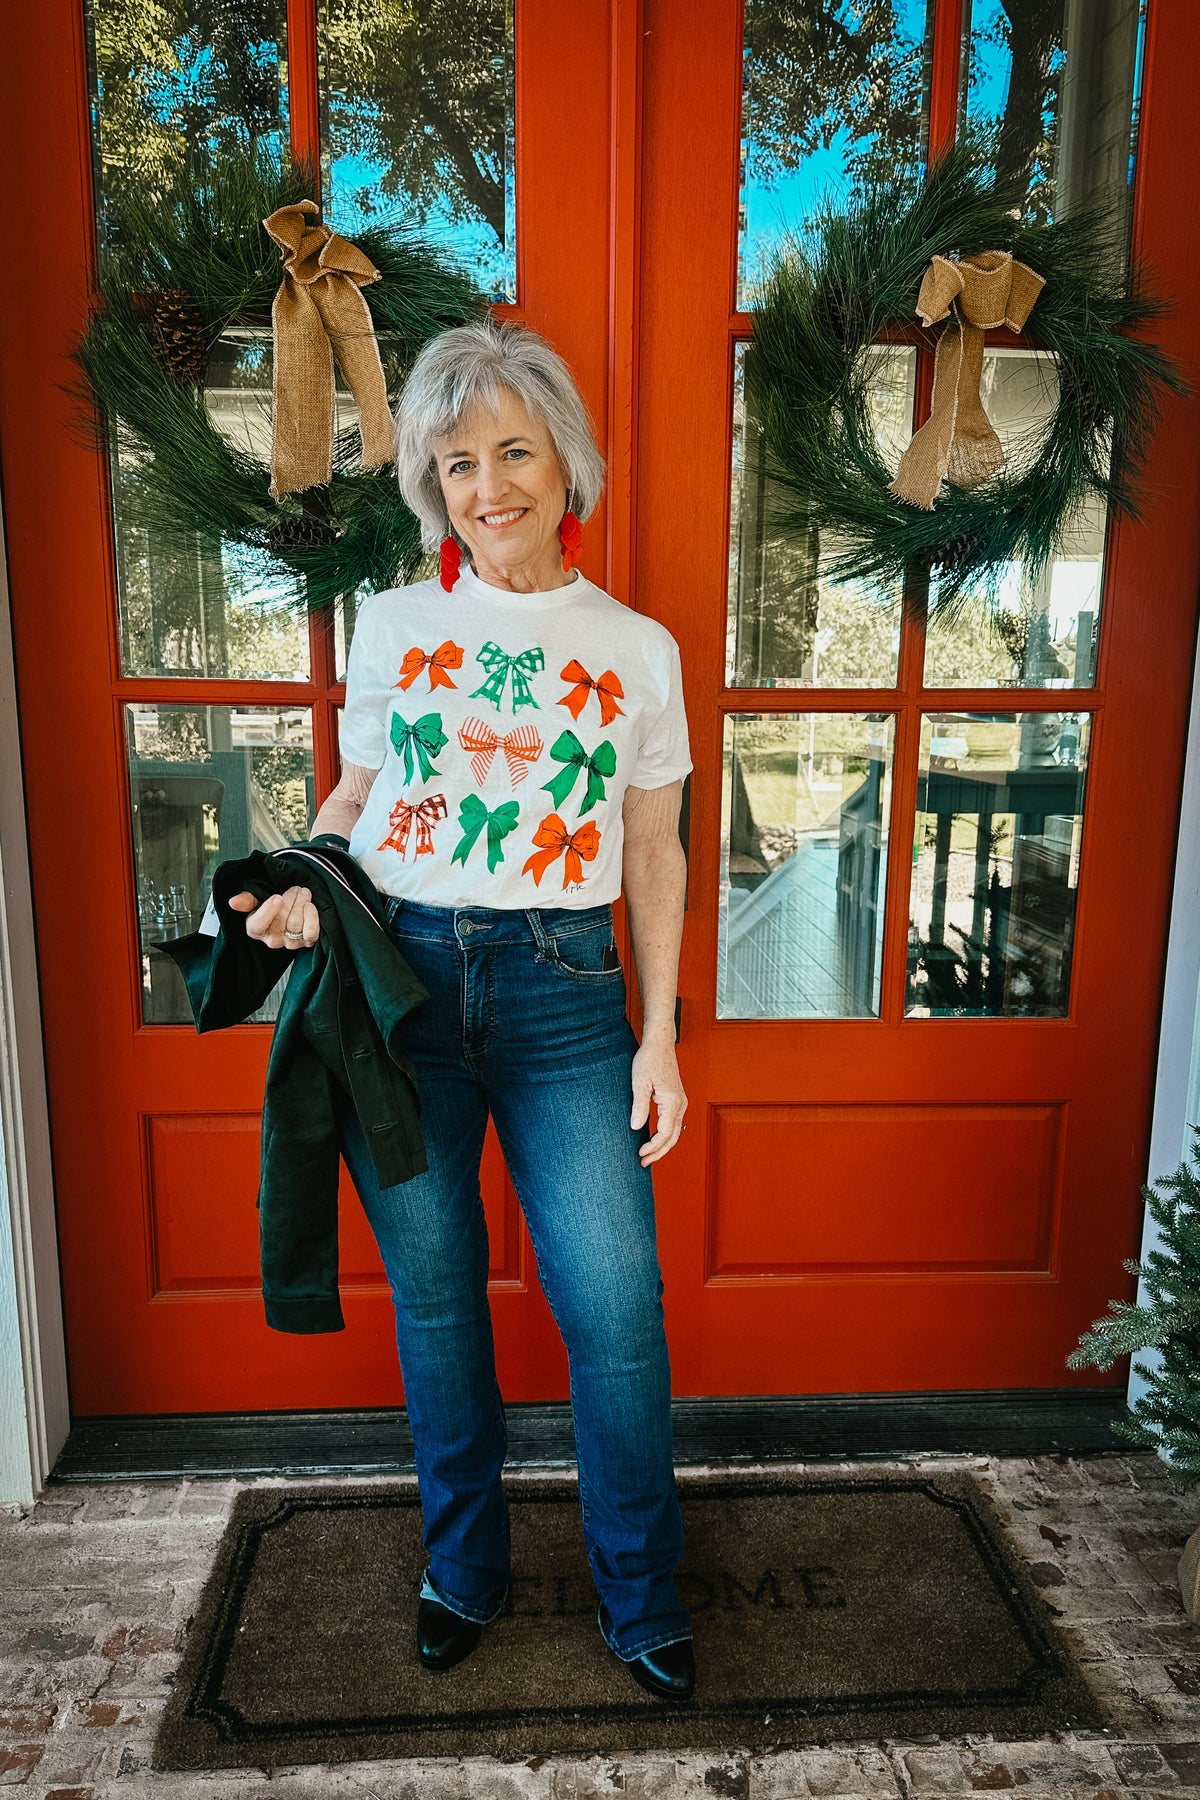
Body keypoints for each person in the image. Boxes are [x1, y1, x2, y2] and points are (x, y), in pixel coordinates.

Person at [227, 319, 695, 1701]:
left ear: (564, 464)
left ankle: (641, 1594)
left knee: (616, 1312)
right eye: (459, 464)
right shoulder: (396, 625)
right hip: (406, 989)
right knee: (436, 1307)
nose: (490, 487)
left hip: (568, 996)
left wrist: (660, 1037)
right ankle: (463, 1570)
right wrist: (305, 889)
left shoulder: (637, 649)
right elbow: (357, 798)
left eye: (514, 452)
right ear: (435, 488)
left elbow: (654, 851)